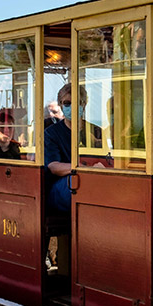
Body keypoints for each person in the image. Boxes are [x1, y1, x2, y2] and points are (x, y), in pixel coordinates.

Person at [44, 84, 103, 214]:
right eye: (67, 103)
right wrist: (80, 167)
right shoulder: (51, 133)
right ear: (60, 105)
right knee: (77, 182)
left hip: (95, 180)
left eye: (77, 103)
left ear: (84, 104)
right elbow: (53, 166)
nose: (73, 107)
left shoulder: (96, 131)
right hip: (63, 186)